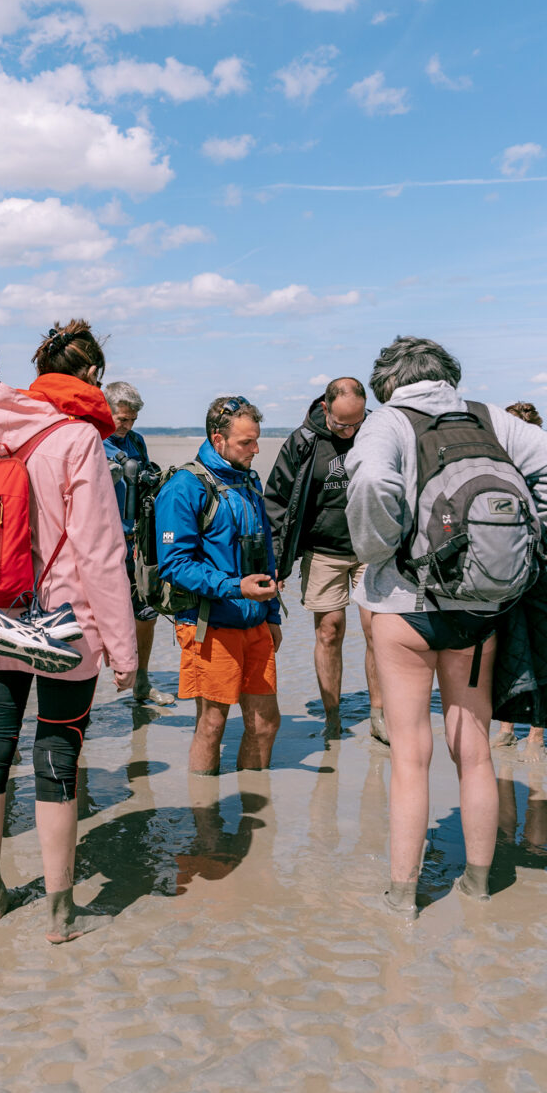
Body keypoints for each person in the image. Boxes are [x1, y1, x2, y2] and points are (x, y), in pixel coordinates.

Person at [345, 336, 547, 916]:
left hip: (404, 609)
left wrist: (380, 551)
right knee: (475, 748)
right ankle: (478, 883)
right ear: (448, 375)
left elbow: (371, 485)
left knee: (411, 753)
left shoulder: (388, 423)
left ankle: (403, 894)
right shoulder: (492, 419)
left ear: (388, 382)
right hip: (480, 608)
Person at [0, 319, 137, 941]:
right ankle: (61, 911)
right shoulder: (79, 441)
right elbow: (100, 554)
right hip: (65, 627)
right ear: (89, 377)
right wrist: (123, 648)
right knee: (57, 758)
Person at [155, 395, 282, 775]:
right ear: (218, 439)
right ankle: (205, 827)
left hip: (255, 620)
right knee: (212, 725)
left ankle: (256, 816)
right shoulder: (185, 486)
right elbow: (174, 565)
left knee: (265, 723)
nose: (256, 449)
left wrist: (272, 614)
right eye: (247, 442)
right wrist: (235, 587)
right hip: (208, 622)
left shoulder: (249, 481)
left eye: (257, 440)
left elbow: (266, 554)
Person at [264, 377, 384, 742]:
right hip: (323, 550)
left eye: (356, 423)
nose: (349, 431)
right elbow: (276, 501)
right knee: (329, 631)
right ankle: (332, 718)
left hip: (372, 549)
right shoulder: (302, 440)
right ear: (325, 409)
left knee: (377, 633)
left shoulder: (378, 433)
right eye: (341, 424)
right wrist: (277, 562)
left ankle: (379, 715)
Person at [103, 380, 175, 708]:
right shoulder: (91, 439)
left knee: (146, 613)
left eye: (132, 419)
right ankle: (80, 700)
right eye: (122, 418)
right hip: (103, 544)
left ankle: (142, 682)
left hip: (137, 541)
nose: (127, 425)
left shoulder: (137, 441)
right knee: (94, 621)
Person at [491, 401, 546, 761]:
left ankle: (536, 734)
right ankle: (508, 727)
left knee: (540, 648)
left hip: (539, 566)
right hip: (505, 569)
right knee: (508, 645)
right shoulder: (493, 466)